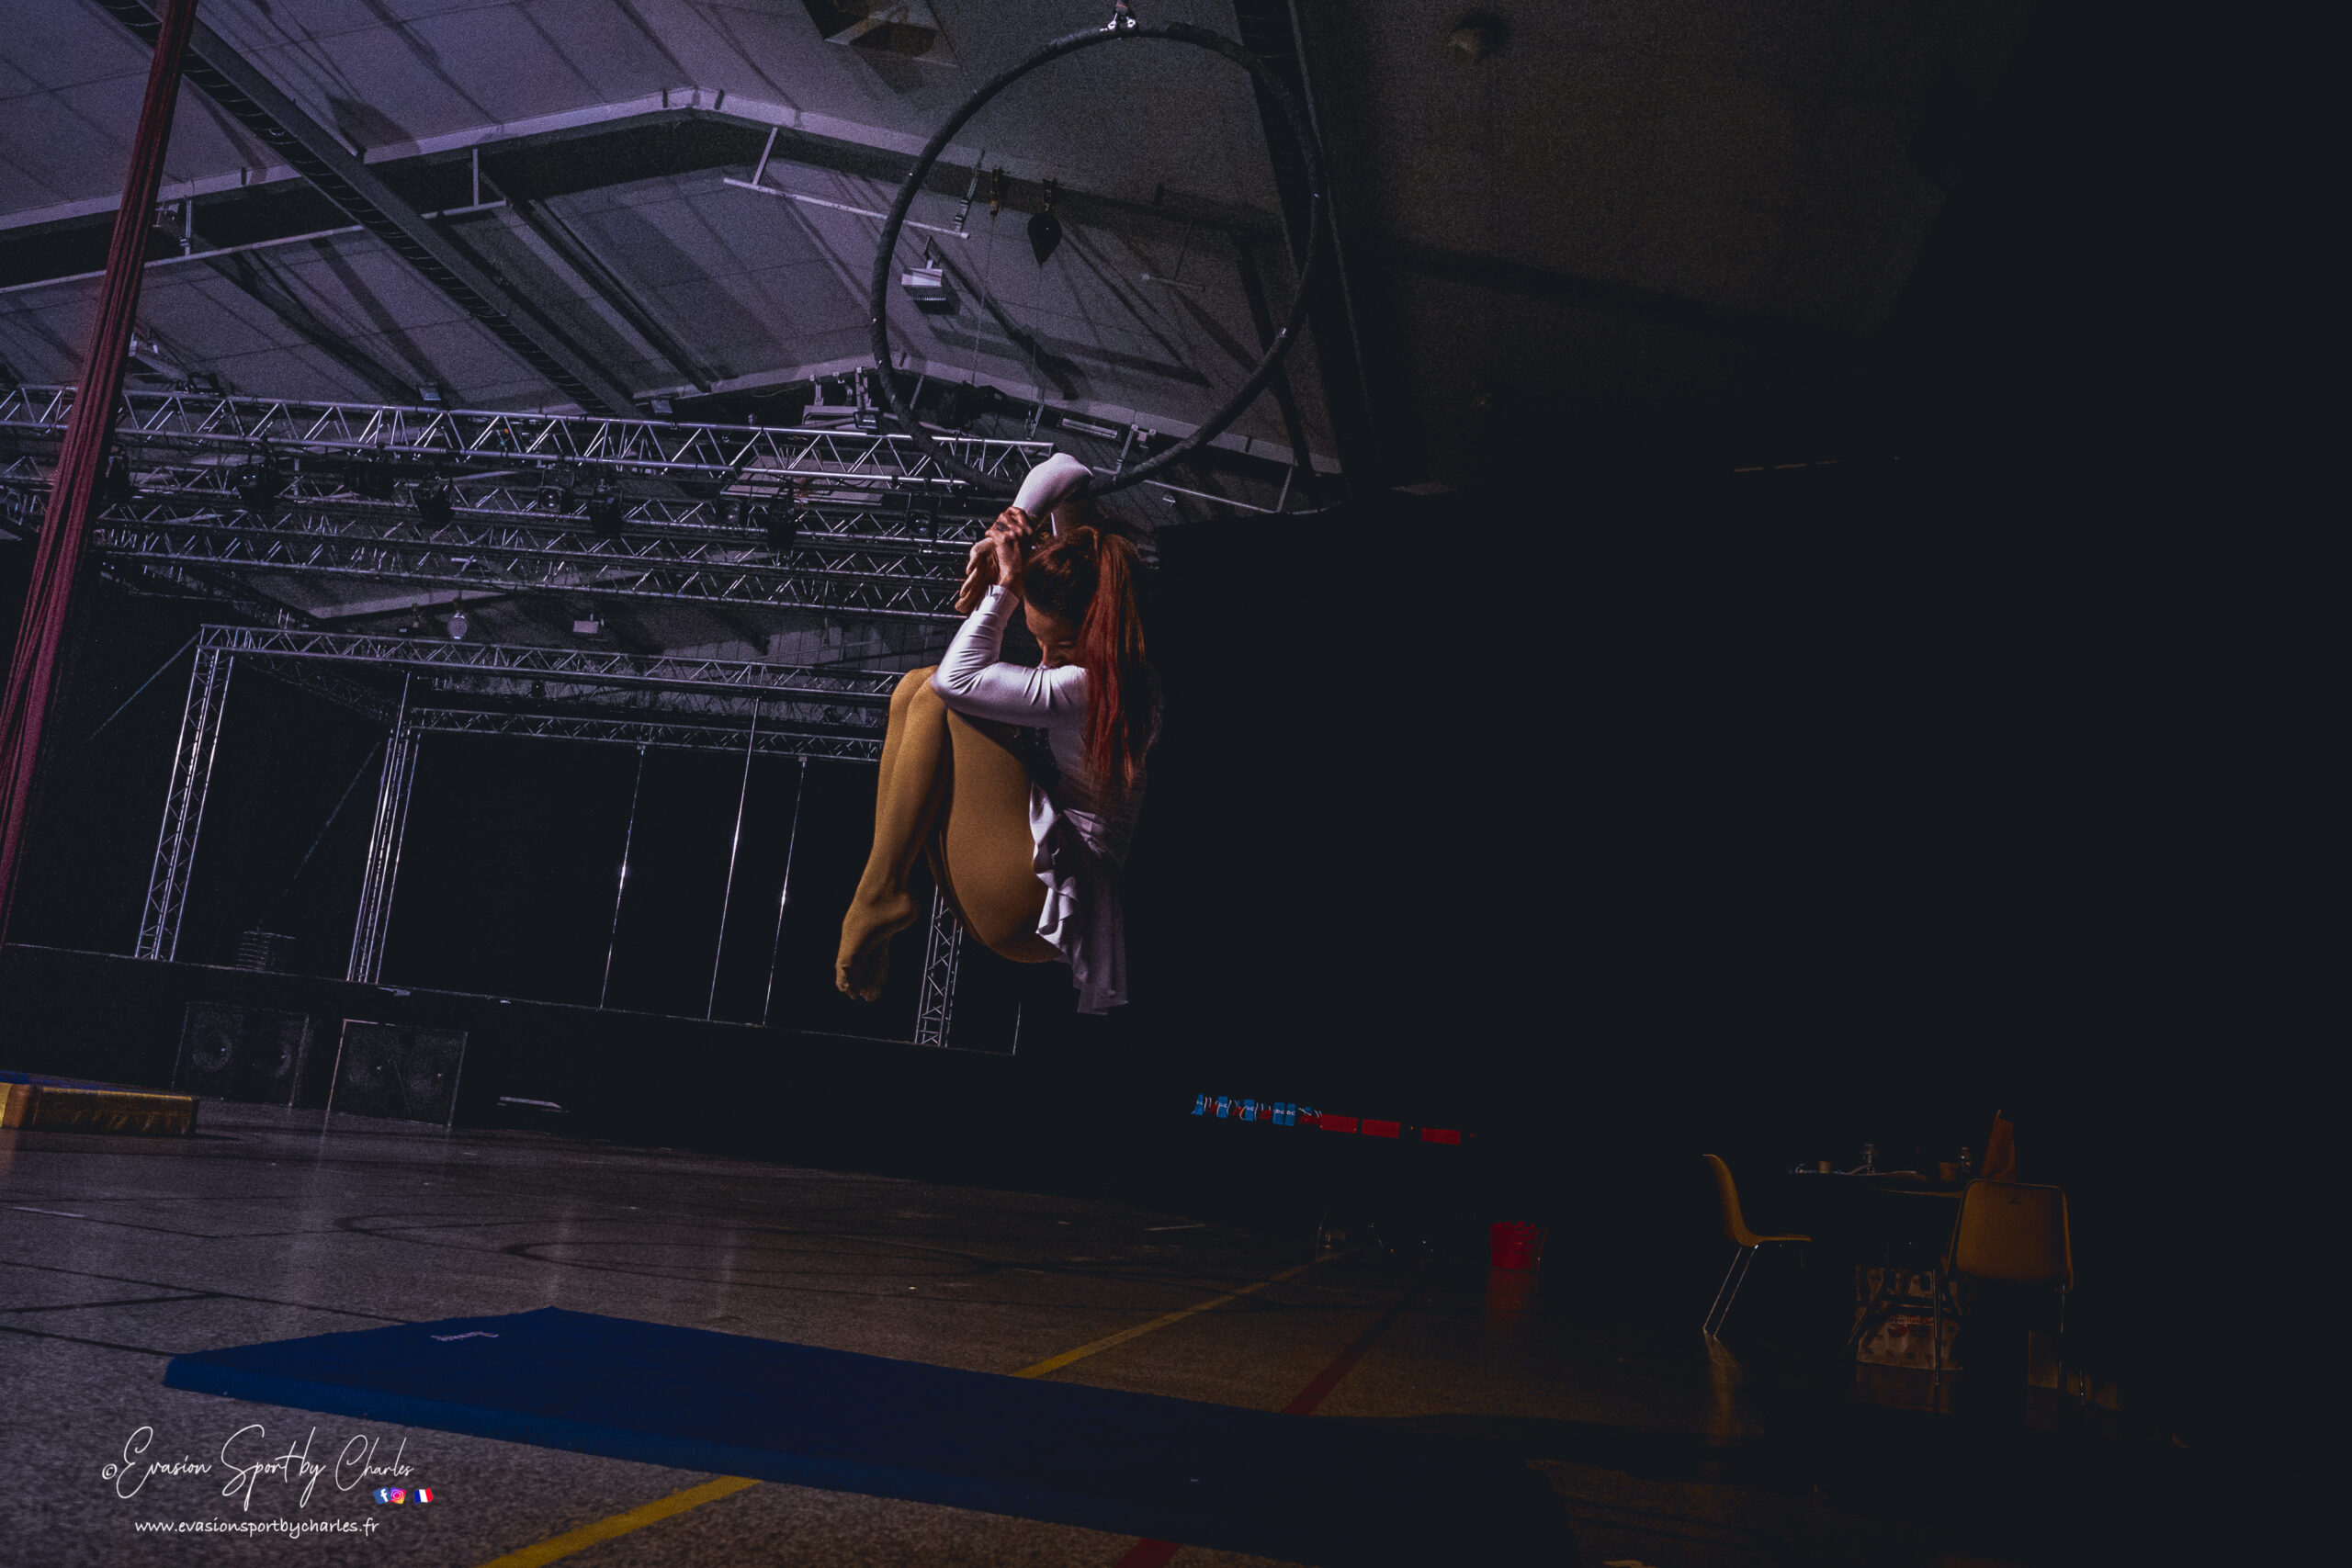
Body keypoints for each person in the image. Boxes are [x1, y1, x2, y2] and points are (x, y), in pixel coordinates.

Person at [833, 455, 1153, 1014]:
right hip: (1021, 875)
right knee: (910, 688)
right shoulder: (1106, 599)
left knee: (938, 695)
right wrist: (1008, 527)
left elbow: (957, 681)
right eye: (1040, 642)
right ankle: (881, 886)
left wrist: (1004, 586)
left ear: (1093, 629)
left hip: (1044, 892)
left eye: (1061, 647)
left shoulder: (1091, 684)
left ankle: (879, 890)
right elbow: (1067, 468)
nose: (1047, 660)